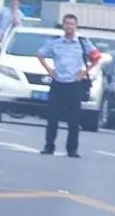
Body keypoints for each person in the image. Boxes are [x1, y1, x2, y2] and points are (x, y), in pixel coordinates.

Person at [37, 14, 95, 158]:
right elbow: (40, 54)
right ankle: (49, 146)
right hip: (58, 84)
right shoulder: (56, 42)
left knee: (74, 120)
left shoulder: (82, 43)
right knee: (52, 117)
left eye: (72, 24)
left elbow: (96, 57)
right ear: (63, 25)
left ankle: (72, 149)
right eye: (67, 23)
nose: (69, 26)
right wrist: (49, 70)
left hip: (74, 84)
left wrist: (84, 72)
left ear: (76, 26)